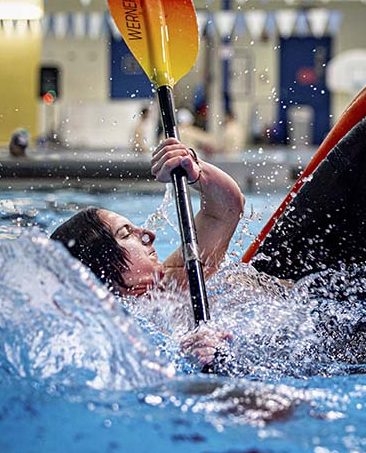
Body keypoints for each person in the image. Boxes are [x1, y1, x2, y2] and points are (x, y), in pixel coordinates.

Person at [50, 137, 244, 366]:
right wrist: (187, 358)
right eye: (126, 233)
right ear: (101, 266)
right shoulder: (106, 337)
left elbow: (225, 209)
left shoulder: (175, 278)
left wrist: (194, 168)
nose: (149, 234)